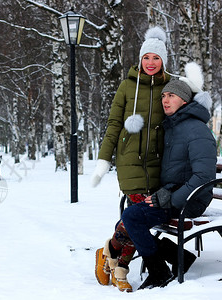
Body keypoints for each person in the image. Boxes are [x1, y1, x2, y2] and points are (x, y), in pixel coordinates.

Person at [121, 62, 217, 289]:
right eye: (164, 95)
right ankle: (179, 257)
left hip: (192, 200)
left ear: (184, 100)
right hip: (175, 194)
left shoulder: (197, 130)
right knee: (126, 219)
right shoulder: (174, 126)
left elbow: (204, 177)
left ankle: (159, 273)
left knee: (133, 218)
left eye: (171, 95)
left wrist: (170, 198)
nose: (165, 100)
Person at [92, 26, 171, 292]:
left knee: (134, 218)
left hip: (158, 165)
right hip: (130, 163)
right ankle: (121, 269)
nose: (150, 62)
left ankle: (110, 254)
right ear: (140, 59)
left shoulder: (170, 87)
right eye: (146, 57)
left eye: (156, 58)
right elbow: (114, 124)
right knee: (137, 214)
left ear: (163, 61)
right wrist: (104, 160)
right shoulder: (127, 86)